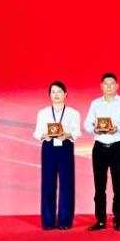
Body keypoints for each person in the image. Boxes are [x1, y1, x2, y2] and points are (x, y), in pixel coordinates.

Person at [83, 72, 120, 231]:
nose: (108, 86)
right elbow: (87, 124)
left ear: (117, 86)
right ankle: (100, 220)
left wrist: (117, 129)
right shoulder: (95, 104)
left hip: (117, 146)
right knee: (99, 187)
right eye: (105, 84)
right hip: (99, 147)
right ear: (101, 86)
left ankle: (117, 219)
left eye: (112, 83)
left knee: (118, 186)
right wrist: (95, 129)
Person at [33, 80, 82, 230]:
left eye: (59, 92)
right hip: (48, 147)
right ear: (49, 95)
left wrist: (67, 134)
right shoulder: (43, 112)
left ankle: (65, 221)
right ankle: (48, 222)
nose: (56, 95)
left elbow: (78, 132)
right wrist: (43, 136)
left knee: (67, 184)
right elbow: (36, 132)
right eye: (53, 92)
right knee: (48, 183)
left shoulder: (73, 113)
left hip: (65, 146)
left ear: (65, 94)